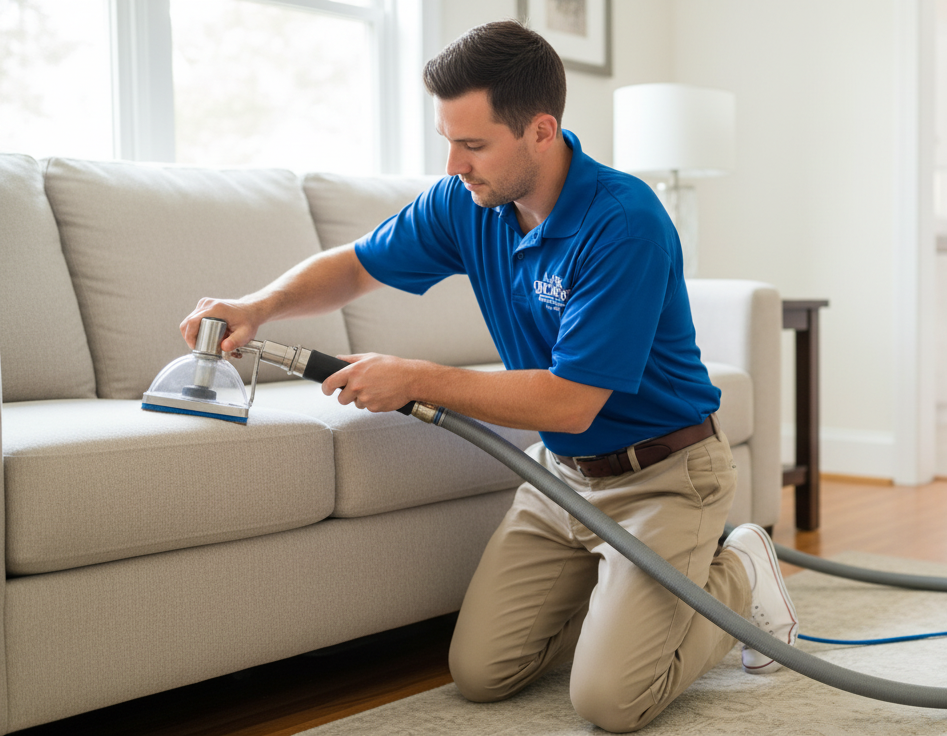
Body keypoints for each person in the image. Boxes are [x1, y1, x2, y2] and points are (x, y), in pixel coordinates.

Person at [180, 20, 798, 733]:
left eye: (472, 145)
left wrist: (415, 377)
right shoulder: (467, 204)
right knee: (481, 674)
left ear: (541, 131)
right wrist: (258, 306)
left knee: (611, 703)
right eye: (448, 140)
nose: (452, 165)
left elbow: (569, 402)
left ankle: (739, 571)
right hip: (560, 478)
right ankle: (629, 605)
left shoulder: (624, 222)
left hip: (664, 473)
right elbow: (355, 265)